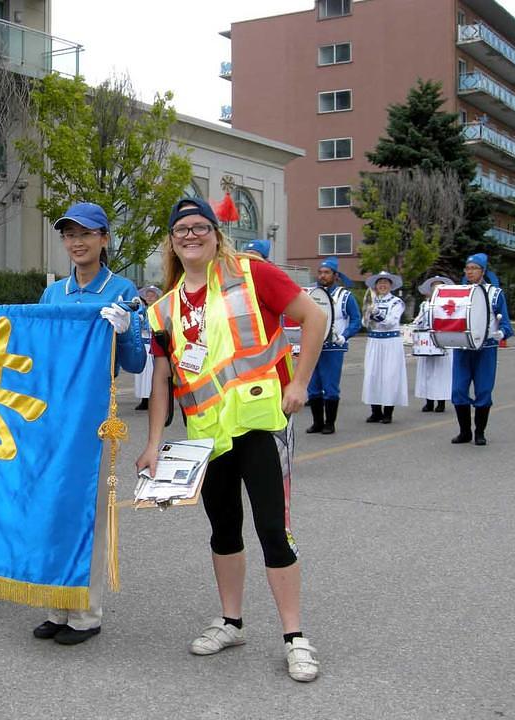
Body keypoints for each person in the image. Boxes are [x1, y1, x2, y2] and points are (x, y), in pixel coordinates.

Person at [136, 197, 326, 683]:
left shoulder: (251, 273)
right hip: (206, 436)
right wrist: (154, 442)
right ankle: (231, 622)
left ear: (216, 234)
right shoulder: (164, 309)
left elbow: (313, 318)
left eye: (200, 227)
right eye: (181, 230)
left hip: (261, 425)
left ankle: (295, 637)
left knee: (272, 530)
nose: (191, 236)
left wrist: (300, 381)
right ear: (172, 242)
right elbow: (162, 382)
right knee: (224, 530)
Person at [34, 201, 146, 646]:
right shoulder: (52, 294)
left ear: (104, 239)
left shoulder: (121, 289)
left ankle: (86, 614)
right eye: (68, 234)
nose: (76, 242)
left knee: (87, 511)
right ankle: (56, 606)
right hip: (50, 414)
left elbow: (136, 361)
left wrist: (124, 330)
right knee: (50, 510)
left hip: (94, 415)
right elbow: (35, 354)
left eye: (86, 233)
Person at [451, 254, 514, 446]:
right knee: (458, 389)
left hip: (486, 349)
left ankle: (480, 432)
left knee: (484, 390)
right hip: (463, 347)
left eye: (474, 268)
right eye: (467, 268)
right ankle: (464, 432)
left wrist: (501, 333)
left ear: (483, 271)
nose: (470, 272)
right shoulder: (458, 292)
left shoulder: (495, 293)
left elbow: (506, 325)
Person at [305, 257, 361, 434]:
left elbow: (356, 320)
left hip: (334, 346)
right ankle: (317, 423)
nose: (322, 276)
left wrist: (344, 336)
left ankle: (330, 423)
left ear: (335, 275)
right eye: (320, 272)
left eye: (326, 273)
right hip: (314, 345)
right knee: (313, 385)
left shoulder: (345, 296)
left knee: (330, 386)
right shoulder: (311, 294)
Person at [361, 271, 407, 423]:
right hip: (374, 341)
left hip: (390, 343)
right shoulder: (371, 302)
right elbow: (365, 323)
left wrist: (376, 312)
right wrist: (368, 314)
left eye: (385, 283)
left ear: (391, 285)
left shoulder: (396, 302)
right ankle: (375, 411)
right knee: (373, 375)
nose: (382, 285)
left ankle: (388, 412)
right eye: (380, 283)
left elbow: (390, 322)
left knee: (389, 376)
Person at [412, 275, 453, 413]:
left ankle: (441, 402)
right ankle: (428, 401)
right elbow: (419, 320)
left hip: (443, 339)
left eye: (439, 286)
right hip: (427, 341)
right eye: (434, 286)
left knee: (441, 372)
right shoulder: (425, 305)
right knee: (427, 371)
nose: (436, 288)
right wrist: (413, 325)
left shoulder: (449, 303)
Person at [133, 285, 163, 411]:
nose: (150, 297)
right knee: (142, 372)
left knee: (153, 372)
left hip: (154, 344)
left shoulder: (159, 310)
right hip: (143, 343)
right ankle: (144, 398)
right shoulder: (142, 310)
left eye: (152, 295)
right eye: (148, 295)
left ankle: (154, 398)